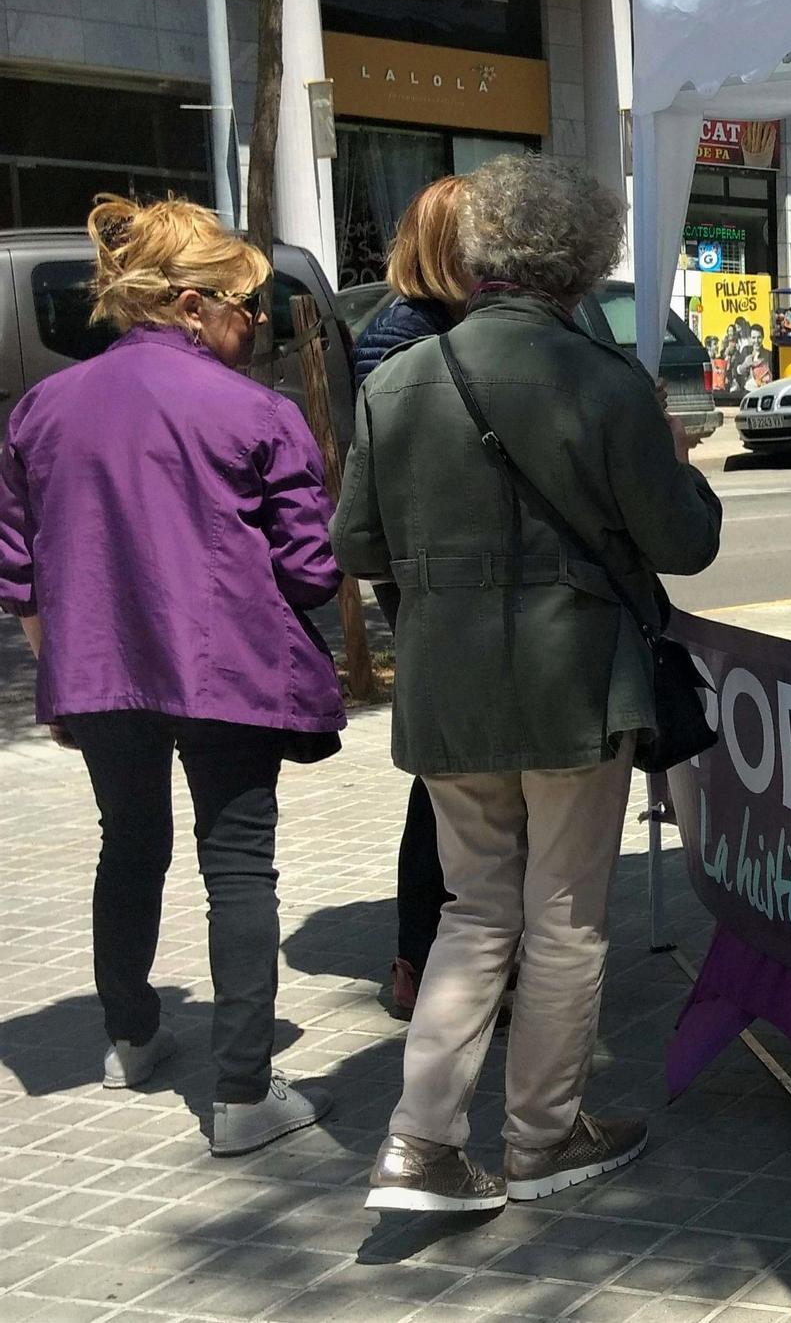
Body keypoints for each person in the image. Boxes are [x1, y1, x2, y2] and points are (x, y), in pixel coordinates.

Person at [334, 154, 722, 1211]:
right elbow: (682, 543)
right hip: (573, 684)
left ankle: (419, 1143)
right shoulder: (602, 383)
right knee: (563, 919)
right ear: (582, 263)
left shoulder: (399, 377)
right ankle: (542, 1138)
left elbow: (357, 539)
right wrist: (676, 462)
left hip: (447, 687)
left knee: (473, 910)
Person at [0, 194, 343, 1155]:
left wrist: (55, 659)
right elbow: (313, 569)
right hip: (226, 662)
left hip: (99, 667)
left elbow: (15, 563)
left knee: (130, 839)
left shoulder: (42, 406)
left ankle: (128, 1033)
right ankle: (241, 1093)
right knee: (237, 863)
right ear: (192, 306)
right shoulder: (256, 410)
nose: (257, 322)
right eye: (245, 305)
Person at [351, 175, 473, 1020]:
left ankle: (437, 955)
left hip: (444, 576)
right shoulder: (400, 336)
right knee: (448, 775)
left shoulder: (457, 323)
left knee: (458, 773)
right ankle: (424, 958)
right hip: (433, 580)